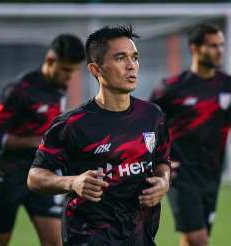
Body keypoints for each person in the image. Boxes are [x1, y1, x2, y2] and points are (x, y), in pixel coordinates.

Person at [27, 25, 171, 246]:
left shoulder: (153, 116)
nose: (131, 66)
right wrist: (72, 181)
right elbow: (35, 177)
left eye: (135, 57)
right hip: (89, 238)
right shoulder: (72, 125)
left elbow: (162, 161)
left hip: (140, 236)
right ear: (96, 69)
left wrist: (164, 181)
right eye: (120, 58)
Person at [150, 23, 231, 246]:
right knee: (199, 239)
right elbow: (148, 126)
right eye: (212, 45)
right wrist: (159, 161)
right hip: (180, 173)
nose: (219, 51)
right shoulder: (171, 88)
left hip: (211, 173)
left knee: (192, 238)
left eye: (221, 45)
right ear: (194, 48)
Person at [0, 34, 85, 246]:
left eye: (74, 71)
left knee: (55, 243)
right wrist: (37, 142)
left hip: (42, 174)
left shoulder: (59, 89)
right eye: (66, 70)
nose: (70, 77)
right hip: (8, 177)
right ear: (50, 60)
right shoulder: (19, 90)